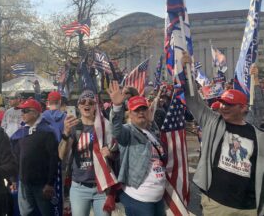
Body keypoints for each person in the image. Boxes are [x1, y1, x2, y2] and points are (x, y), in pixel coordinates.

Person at [182, 54, 264, 216]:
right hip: (217, 205)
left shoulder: (257, 132)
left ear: (242, 108)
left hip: (250, 207)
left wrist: (255, 82)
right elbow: (193, 100)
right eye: (223, 103)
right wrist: (187, 72)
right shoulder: (212, 122)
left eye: (230, 104)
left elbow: (259, 110)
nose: (224, 107)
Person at [108, 81, 166, 216]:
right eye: (136, 110)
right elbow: (116, 131)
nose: (141, 112)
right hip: (139, 198)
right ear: (130, 113)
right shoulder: (128, 132)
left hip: (157, 199)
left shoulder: (152, 132)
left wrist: (151, 121)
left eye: (143, 109)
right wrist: (117, 106)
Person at [58, 90, 118, 216]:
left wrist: (110, 153)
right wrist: (66, 133)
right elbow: (61, 155)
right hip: (79, 187)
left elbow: (115, 155)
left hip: (102, 187)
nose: (87, 104)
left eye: (91, 102)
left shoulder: (105, 126)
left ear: (95, 106)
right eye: (83, 102)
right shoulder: (74, 126)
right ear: (78, 106)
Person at [12, 98, 58, 216]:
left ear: (36, 113)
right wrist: (13, 179)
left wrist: (50, 183)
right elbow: (16, 158)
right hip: (24, 183)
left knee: (46, 213)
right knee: (25, 214)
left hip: (41, 184)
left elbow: (53, 159)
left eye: (26, 111)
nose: (22, 114)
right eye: (22, 111)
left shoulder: (47, 132)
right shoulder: (21, 133)